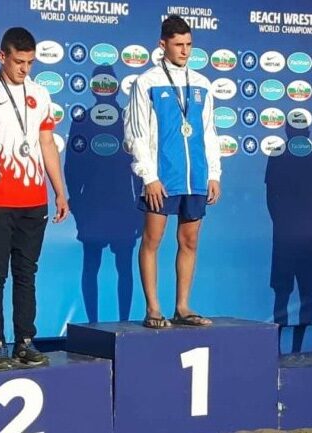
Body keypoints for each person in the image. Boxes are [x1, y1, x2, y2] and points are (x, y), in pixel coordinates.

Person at [0, 27, 69, 370]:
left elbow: (47, 144)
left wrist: (59, 190)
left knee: (27, 273)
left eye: (30, 62)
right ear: (2, 56)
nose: (25, 69)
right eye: (19, 61)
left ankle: (25, 340)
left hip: (33, 200)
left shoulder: (40, 93)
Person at [124, 15, 221, 328]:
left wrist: (214, 173)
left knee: (190, 241)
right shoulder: (147, 82)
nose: (185, 51)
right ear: (162, 44)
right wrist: (148, 176)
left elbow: (209, 131)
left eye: (189, 44)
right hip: (162, 177)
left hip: (195, 177)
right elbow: (136, 132)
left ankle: (183, 306)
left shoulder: (203, 84)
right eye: (178, 44)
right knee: (152, 240)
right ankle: (153, 308)